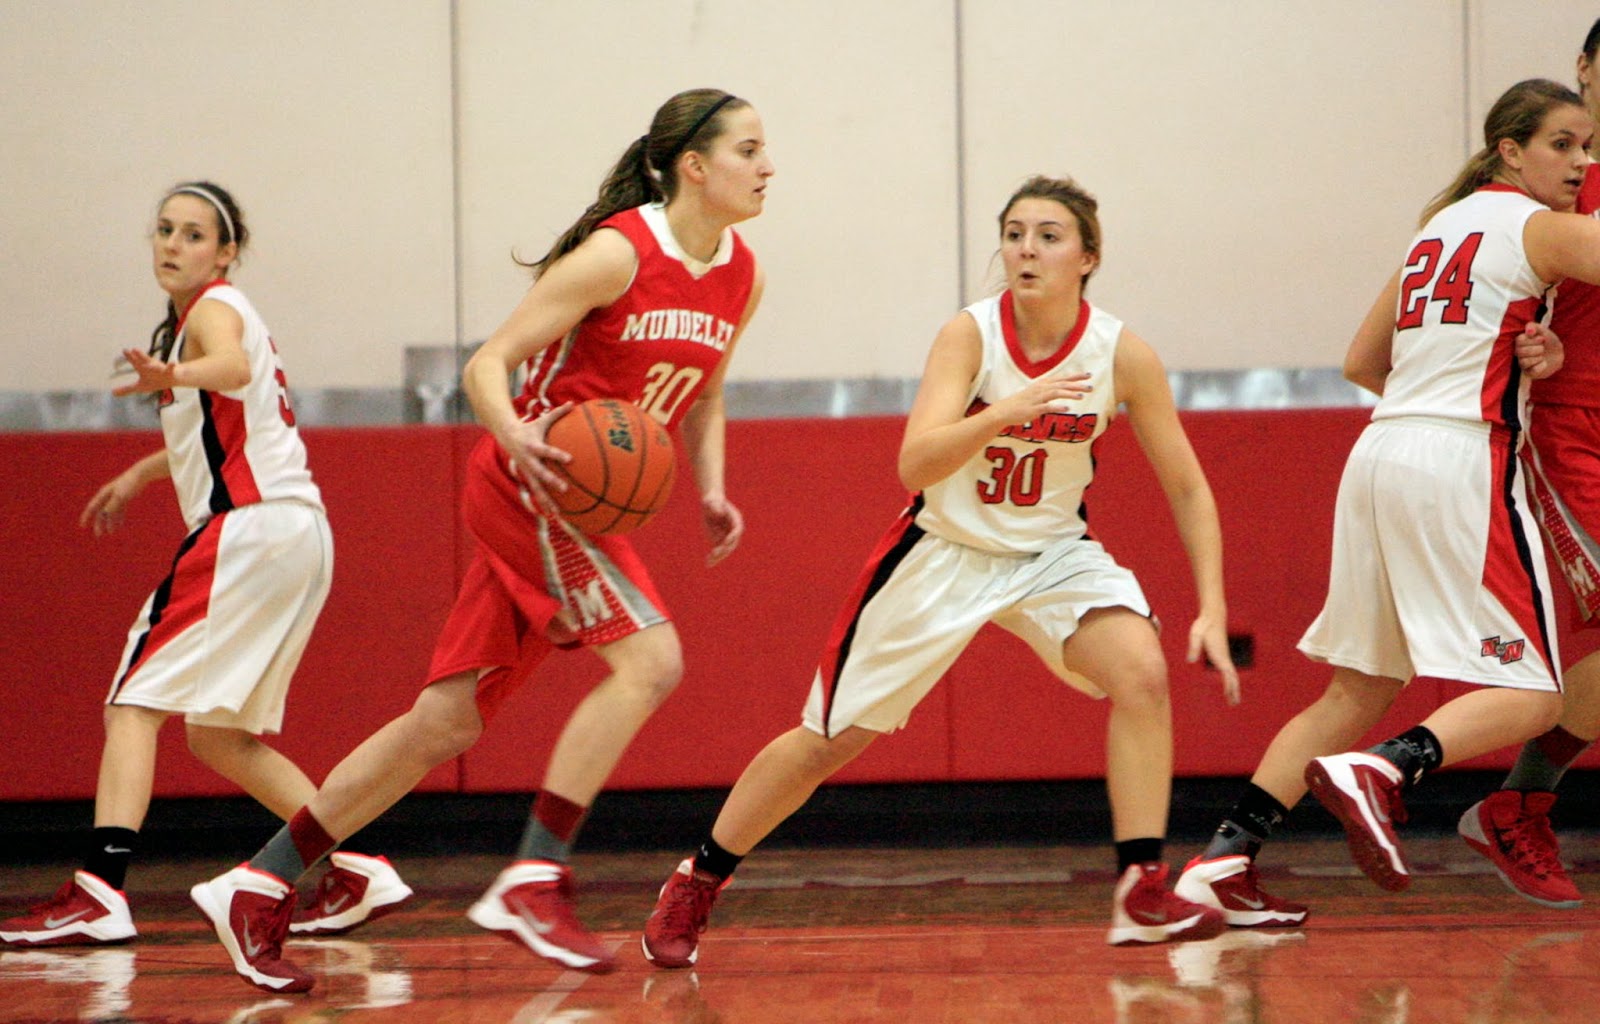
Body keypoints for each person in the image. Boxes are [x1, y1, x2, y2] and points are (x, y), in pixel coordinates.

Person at [190, 88, 773, 993]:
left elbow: (708, 391)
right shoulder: (619, 252)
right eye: (749, 149)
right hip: (536, 483)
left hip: (576, 503)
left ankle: (258, 881)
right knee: (653, 661)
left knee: (445, 721)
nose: (768, 166)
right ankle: (535, 876)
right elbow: (486, 364)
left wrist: (712, 488)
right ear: (694, 166)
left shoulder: (743, 272)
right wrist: (515, 435)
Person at [641, 173, 1241, 969]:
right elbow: (913, 463)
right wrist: (1004, 411)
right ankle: (699, 877)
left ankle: (1139, 884)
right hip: (942, 552)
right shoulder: (970, 335)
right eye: (1015, 233)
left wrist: (1209, 604)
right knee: (827, 742)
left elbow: (1189, 486)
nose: (1027, 249)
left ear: (1088, 257)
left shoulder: (1121, 354)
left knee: (1141, 670)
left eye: (1049, 235)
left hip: (1050, 554)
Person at [1174, 78, 1600, 918]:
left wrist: (1510, 355)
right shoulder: (1541, 228)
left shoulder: (1435, 229)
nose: (1581, 163)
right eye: (1563, 144)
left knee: (1355, 689)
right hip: (1459, 460)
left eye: (1587, 147)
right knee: (1535, 693)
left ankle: (1219, 863)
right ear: (1510, 150)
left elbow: (1363, 362)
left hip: (1377, 455)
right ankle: (1389, 766)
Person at [0, 182, 411, 949]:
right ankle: (351, 864)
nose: (171, 244)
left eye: (193, 235)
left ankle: (100, 891)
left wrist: (173, 376)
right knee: (221, 737)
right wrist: (143, 473)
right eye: (163, 230)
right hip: (297, 533)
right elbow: (221, 432)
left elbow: (230, 372)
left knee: (132, 703)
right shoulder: (209, 317)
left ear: (225, 253)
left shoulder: (214, 311)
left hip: (249, 532)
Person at [1458, 18, 1600, 911]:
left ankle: (1518, 800)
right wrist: (1528, 349)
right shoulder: (1547, 177)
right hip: (1571, 426)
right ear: (1586, 68)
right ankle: (1517, 798)